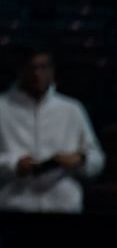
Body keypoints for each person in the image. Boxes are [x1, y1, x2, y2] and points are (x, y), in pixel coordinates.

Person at [0, 48, 104, 213]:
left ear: (52, 70)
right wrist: (13, 164)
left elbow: (97, 158)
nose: (37, 74)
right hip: (14, 205)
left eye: (43, 67)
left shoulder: (71, 109)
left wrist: (80, 159)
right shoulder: (3, 107)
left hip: (62, 205)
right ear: (21, 70)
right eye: (32, 68)